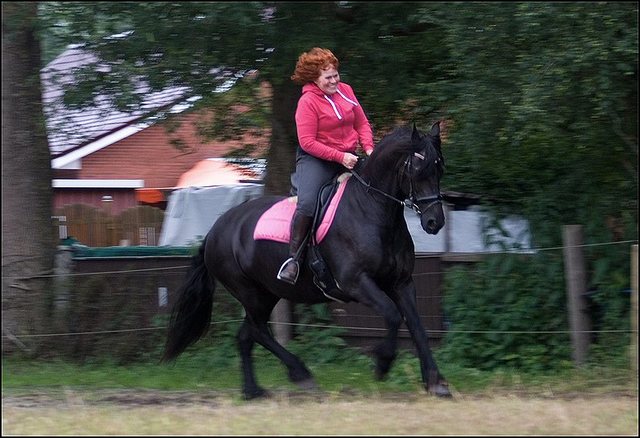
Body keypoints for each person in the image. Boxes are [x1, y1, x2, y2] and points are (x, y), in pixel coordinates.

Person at [277, 47, 375, 284]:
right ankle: (293, 260)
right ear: (314, 79)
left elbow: (361, 122)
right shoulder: (307, 102)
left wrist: (370, 148)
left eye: (335, 75)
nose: (334, 81)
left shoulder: (347, 91)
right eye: (328, 77)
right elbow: (307, 142)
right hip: (316, 159)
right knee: (308, 203)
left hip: (349, 155)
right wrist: (339, 157)